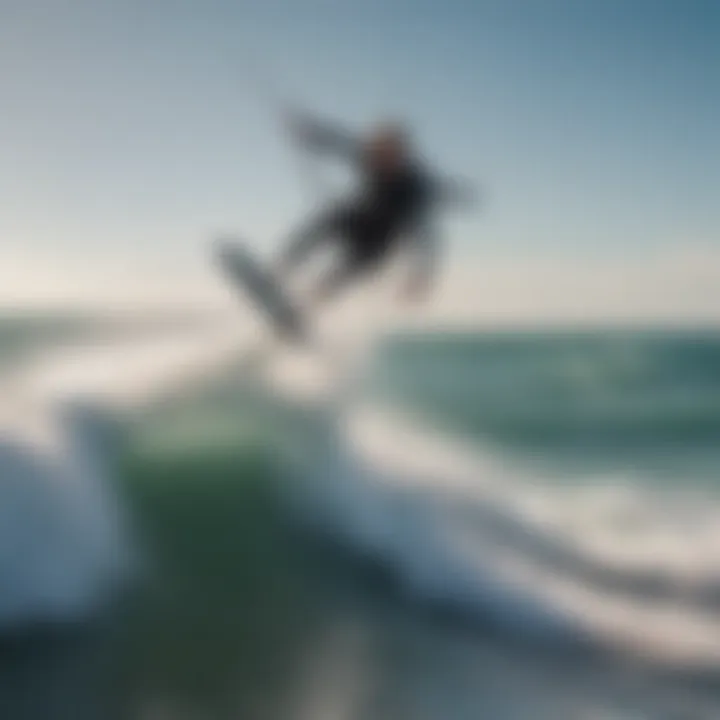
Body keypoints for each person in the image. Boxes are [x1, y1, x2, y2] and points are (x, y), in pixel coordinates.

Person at [273, 110, 477, 307]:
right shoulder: (370, 157)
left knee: (343, 273)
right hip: (357, 222)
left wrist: (421, 277)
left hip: (377, 245)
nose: (380, 160)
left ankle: (309, 305)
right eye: (379, 152)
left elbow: (427, 238)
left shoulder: (414, 187)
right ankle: (281, 269)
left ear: (401, 155)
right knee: (331, 218)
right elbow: (338, 142)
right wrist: (309, 133)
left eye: (389, 155)